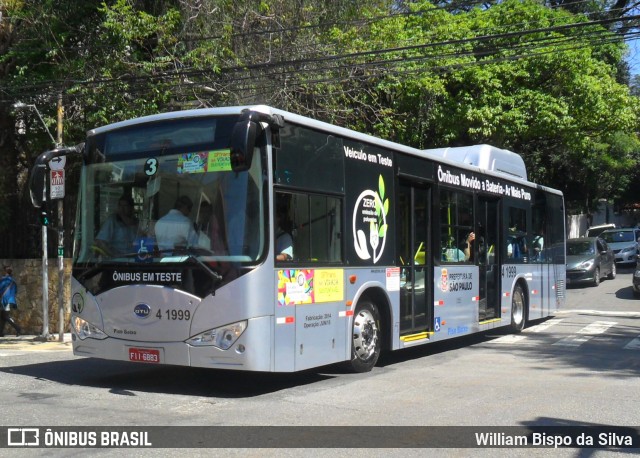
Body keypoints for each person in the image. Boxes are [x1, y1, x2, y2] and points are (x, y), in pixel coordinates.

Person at [0, 266, 21, 337]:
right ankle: (1, 332)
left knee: (5, 316)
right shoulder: (12, 281)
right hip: (9, 300)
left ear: (6, 272)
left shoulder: (4, 280)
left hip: (5, 300)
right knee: (3, 316)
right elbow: (15, 291)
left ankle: (18, 328)